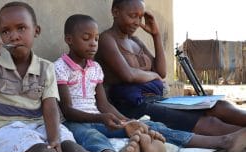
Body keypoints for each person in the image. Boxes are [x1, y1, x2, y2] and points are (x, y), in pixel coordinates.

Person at [0, 2, 141, 152]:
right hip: (8, 129)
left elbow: (50, 106)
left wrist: (54, 138)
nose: (14, 36)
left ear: (36, 31)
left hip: (41, 126)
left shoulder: (46, 68)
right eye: (6, 31)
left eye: (21, 28)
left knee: (73, 149)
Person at [96, 0, 246, 139]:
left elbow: (161, 72)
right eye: (132, 16)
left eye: (140, 17)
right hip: (132, 106)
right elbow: (128, 75)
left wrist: (156, 34)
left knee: (219, 106)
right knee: (208, 121)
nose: (137, 22)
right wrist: (153, 75)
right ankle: (237, 138)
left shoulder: (135, 41)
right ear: (115, 12)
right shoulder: (106, 39)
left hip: (158, 100)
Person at [55, 14, 167, 152]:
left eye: (96, 39)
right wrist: (100, 118)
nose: (93, 43)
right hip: (74, 123)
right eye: (86, 38)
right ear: (69, 40)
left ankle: (147, 146)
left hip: (98, 120)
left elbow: (104, 104)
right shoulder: (59, 67)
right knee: (93, 137)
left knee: (136, 127)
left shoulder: (95, 68)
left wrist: (127, 121)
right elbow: (67, 111)